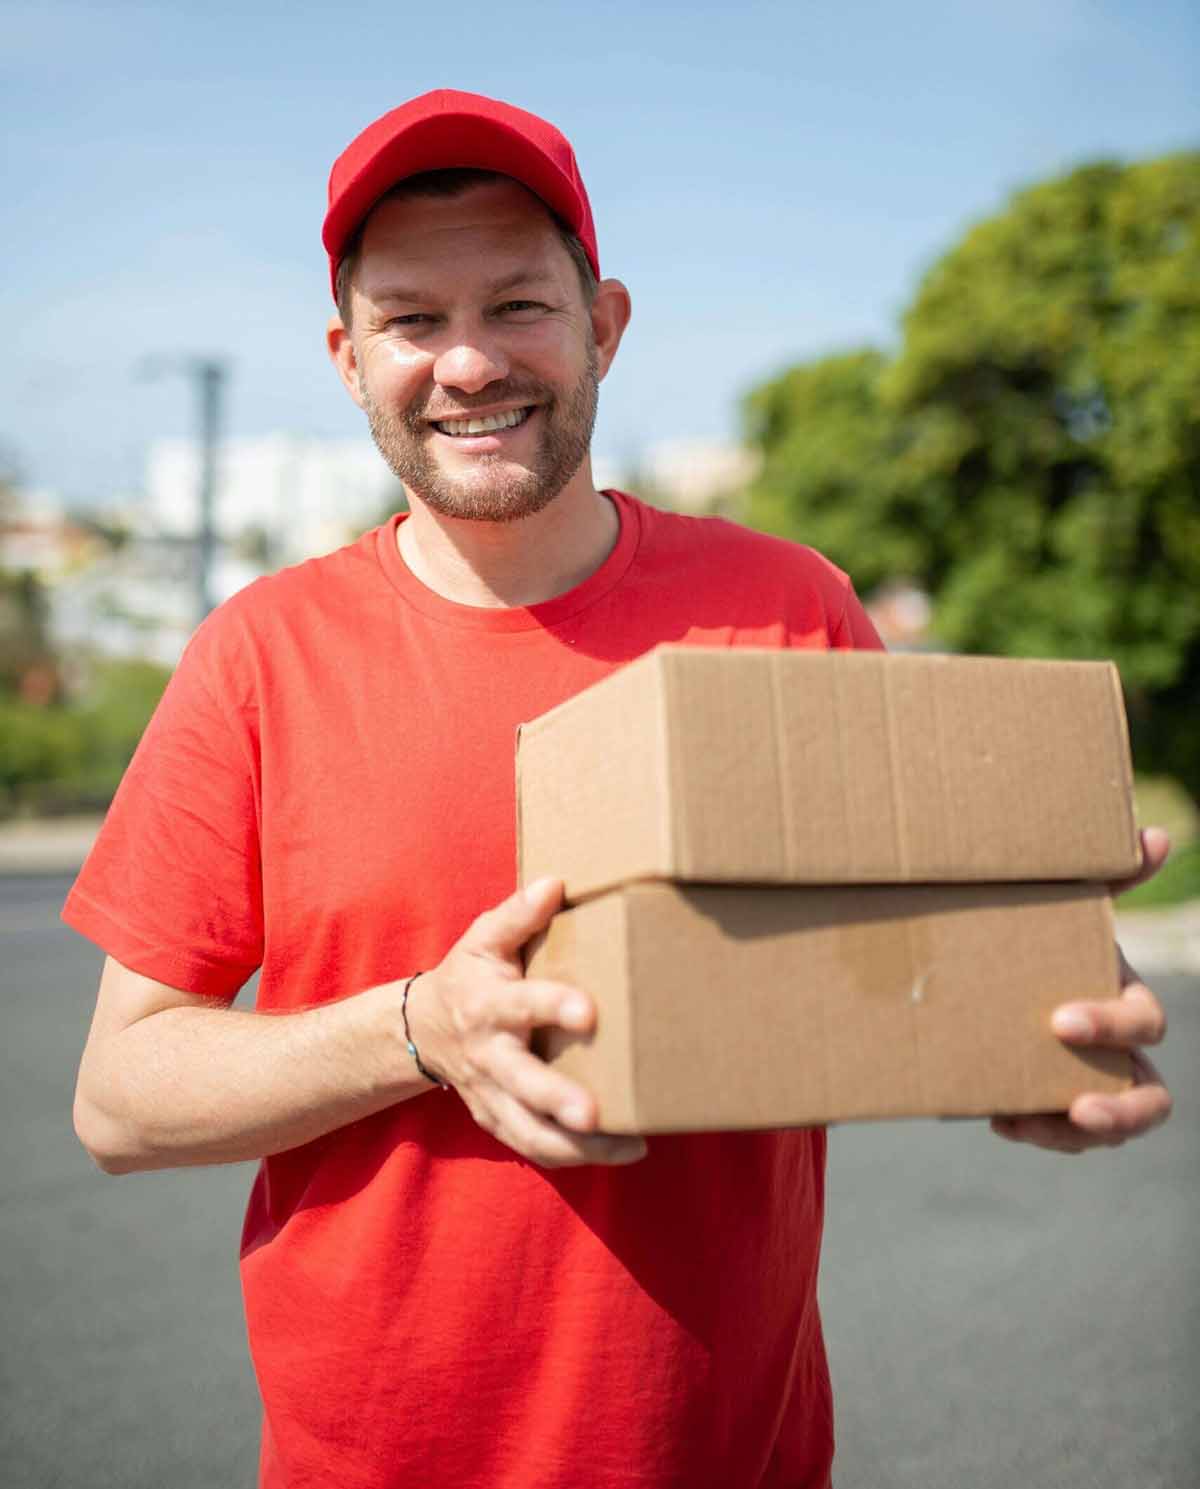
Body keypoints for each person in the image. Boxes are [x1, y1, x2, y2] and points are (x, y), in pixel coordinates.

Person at [65, 89, 1173, 1489]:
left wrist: (1028, 1028)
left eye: (521, 305)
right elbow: (120, 1093)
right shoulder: (258, 658)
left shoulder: (785, 608)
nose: (467, 363)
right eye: (412, 319)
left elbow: (893, 956)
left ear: (609, 322)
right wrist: (420, 1028)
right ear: (348, 359)